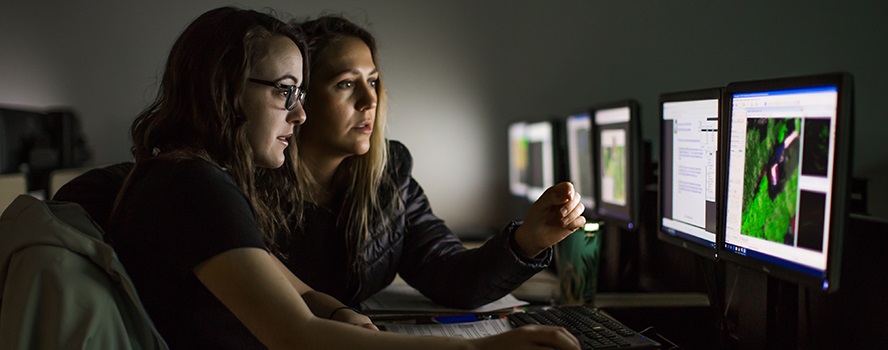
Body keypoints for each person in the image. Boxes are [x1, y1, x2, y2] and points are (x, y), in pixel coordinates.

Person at [106, 6, 579, 349]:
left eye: (374, 82)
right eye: (287, 93)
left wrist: (526, 243)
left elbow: (303, 294)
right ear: (226, 93)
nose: (299, 114)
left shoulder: (200, 177)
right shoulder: (203, 185)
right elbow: (296, 334)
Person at [281, 14, 586, 310]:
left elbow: (452, 276)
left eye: (373, 82)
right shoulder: (251, 184)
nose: (369, 100)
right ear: (300, 97)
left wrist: (526, 242)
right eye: (346, 84)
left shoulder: (389, 177)